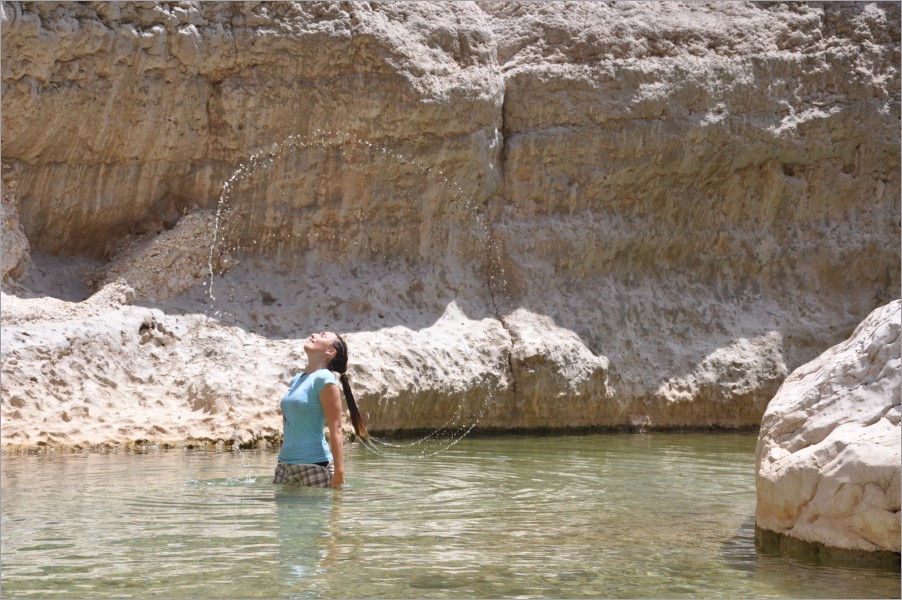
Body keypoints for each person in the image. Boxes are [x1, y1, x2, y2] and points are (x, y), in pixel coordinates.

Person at [273, 331, 368, 489]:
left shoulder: (324, 378)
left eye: (322, 336)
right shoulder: (297, 379)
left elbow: (336, 428)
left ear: (330, 352)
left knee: (316, 514)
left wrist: (339, 473)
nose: (314, 334)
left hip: (314, 466)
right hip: (284, 466)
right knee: (283, 514)